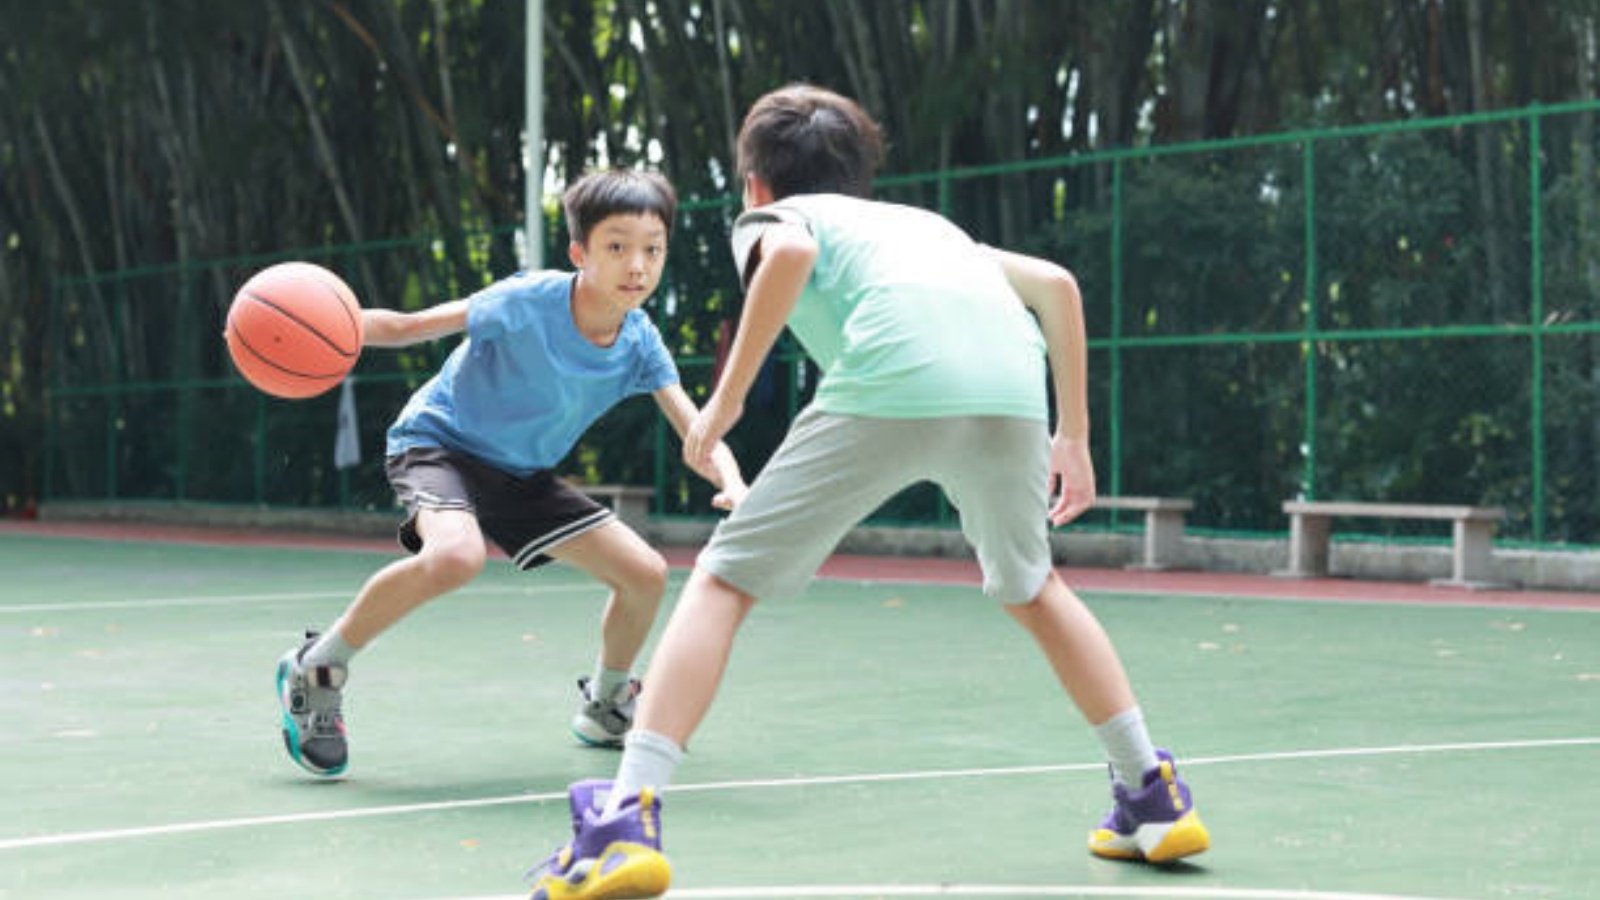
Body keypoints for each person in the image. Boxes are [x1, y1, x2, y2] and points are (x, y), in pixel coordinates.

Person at [526, 85, 1209, 899]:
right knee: (1036, 587)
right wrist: (1074, 437)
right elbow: (1057, 286)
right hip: (1011, 394)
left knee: (720, 581)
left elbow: (787, 259)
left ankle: (624, 821)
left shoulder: (778, 219)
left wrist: (729, 399)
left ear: (754, 185)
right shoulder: (928, 229)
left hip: (893, 380)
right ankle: (1152, 795)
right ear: (858, 176)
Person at [275, 169, 747, 778]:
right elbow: (411, 325)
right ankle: (318, 666)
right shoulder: (526, 301)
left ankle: (605, 704)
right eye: (617, 246)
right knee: (455, 558)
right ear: (580, 253)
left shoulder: (639, 341)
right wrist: (323, 326)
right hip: (438, 445)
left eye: (652, 249)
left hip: (519, 473)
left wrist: (732, 481)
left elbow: (697, 430)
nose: (638, 264)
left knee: (645, 575)